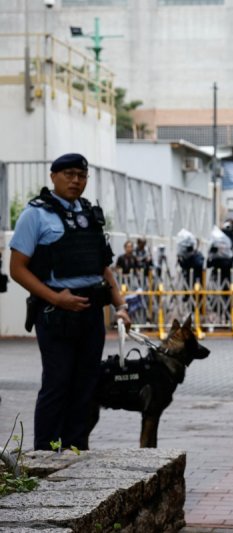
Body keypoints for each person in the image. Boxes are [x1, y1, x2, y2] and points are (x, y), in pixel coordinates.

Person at [8, 153, 132, 451]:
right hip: (55, 312)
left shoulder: (90, 213)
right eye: (69, 174)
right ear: (53, 176)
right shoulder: (35, 214)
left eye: (81, 175)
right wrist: (55, 298)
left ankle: (76, 449)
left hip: (91, 311)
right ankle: (45, 454)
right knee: (58, 383)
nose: (76, 180)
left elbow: (103, 265)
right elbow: (17, 269)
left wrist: (120, 305)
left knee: (86, 384)